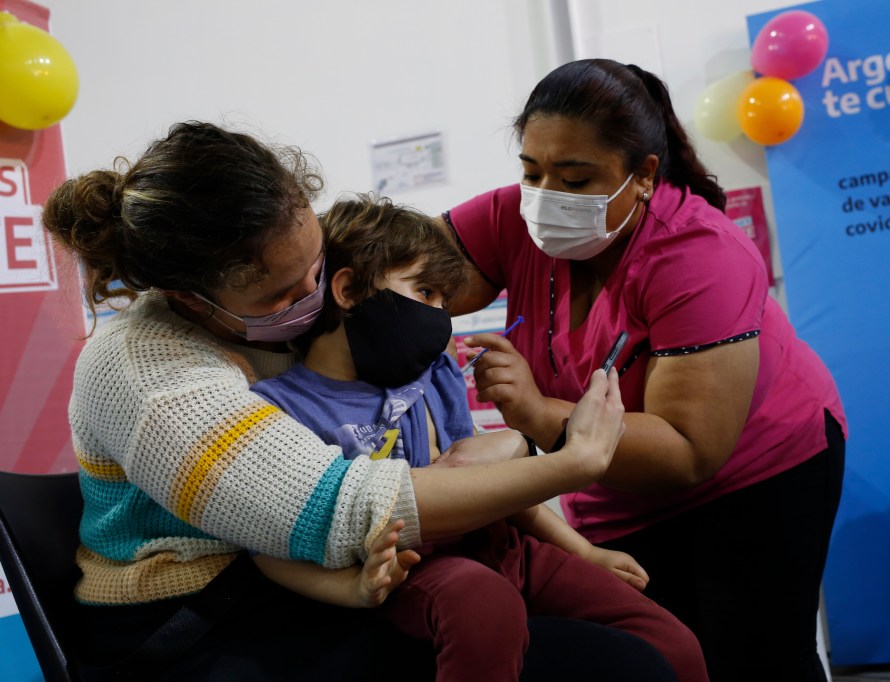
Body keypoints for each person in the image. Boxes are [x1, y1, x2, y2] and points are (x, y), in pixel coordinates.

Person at [41, 120, 684, 681]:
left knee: (634, 649)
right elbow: (336, 511)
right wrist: (567, 463)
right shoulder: (145, 371)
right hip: (201, 614)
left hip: (336, 575)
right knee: (603, 663)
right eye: (281, 292)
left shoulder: (291, 324)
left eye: (319, 269)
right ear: (189, 298)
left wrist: (514, 446)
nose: (316, 296)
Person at [442, 59, 848, 682]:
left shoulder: (696, 254)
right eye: (531, 172)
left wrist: (535, 413)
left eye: (576, 180)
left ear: (643, 176)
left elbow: (688, 448)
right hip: (614, 487)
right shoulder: (510, 221)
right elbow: (402, 273)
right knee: (662, 659)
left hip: (757, 471)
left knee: (753, 658)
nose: (547, 196)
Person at [249, 193, 707, 682]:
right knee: (483, 603)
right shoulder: (281, 409)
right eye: (425, 293)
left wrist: (584, 552)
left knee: (672, 643)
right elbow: (269, 546)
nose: (440, 317)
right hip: (416, 569)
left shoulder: (434, 371)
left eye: (445, 302)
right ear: (348, 289)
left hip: (505, 546)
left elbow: (498, 488)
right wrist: (350, 588)